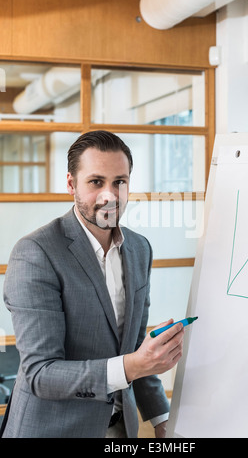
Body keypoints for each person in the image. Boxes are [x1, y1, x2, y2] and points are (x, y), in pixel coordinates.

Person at [0, 131, 184, 438]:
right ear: (71, 184)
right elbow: (39, 374)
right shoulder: (36, 252)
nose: (109, 195)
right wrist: (131, 366)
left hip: (119, 428)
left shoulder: (139, 249)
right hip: (53, 429)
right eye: (96, 182)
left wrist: (161, 418)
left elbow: (136, 350)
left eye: (119, 182)